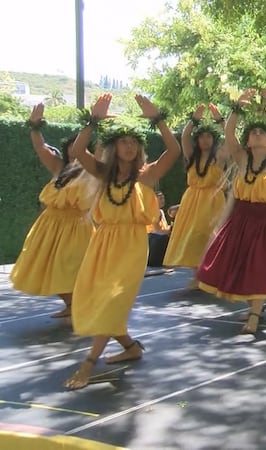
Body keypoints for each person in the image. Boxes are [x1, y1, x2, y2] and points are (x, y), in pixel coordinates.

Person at [64, 93, 181, 389]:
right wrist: (93, 121)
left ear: (139, 148)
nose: (128, 146)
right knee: (102, 300)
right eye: (123, 142)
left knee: (113, 300)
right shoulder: (103, 173)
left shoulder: (148, 174)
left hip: (131, 246)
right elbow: (78, 150)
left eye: (133, 142)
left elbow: (174, 149)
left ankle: (88, 365)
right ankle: (130, 347)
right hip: (103, 243)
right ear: (114, 147)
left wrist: (159, 119)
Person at [196, 88, 266, 334]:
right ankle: (255, 306)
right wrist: (238, 107)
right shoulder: (241, 159)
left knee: (261, 264)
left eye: (262, 132)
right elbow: (229, 132)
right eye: (253, 132)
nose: (258, 134)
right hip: (242, 219)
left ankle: (254, 314)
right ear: (248, 141)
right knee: (245, 264)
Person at [10, 104, 94, 319]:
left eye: (79, 146)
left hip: (77, 226)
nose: (74, 150)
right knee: (46, 267)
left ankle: (80, 304)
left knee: (69, 268)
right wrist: (35, 126)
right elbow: (40, 147)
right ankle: (71, 304)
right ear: (66, 149)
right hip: (49, 225)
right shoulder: (58, 167)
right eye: (71, 146)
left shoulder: (93, 170)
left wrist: (94, 122)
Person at [162, 104, 227, 286]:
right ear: (197, 141)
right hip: (192, 201)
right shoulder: (192, 157)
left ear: (213, 140)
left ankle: (211, 273)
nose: (205, 140)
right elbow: (184, 137)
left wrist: (221, 120)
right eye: (201, 137)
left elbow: (230, 139)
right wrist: (194, 120)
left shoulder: (219, 157)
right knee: (193, 236)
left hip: (214, 201)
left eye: (208, 137)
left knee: (209, 235)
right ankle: (198, 273)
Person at [147, 191, 172, 267]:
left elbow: (165, 227)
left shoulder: (161, 211)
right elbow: (156, 231)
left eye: (163, 198)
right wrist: (170, 231)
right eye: (160, 198)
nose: (163, 200)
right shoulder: (153, 212)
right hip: (154, 239)